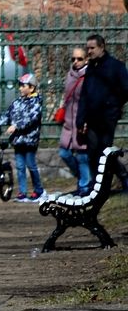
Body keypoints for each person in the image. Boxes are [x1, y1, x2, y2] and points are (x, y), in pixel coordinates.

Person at [0, 72, 44, 202]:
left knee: (31, 165)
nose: (20, 88)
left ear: (31, 88)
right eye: (19, 86)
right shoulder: (17, 102)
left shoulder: (36, 102)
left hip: (30, 140)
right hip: (18, 140)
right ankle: (22, 193)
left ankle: (39, 190)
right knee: (20, 167)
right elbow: (6, 116)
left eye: (23, 86)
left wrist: (16, 126)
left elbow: (30, 119)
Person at [76, 33, 128, 190]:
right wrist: (81, 118)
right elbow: (85, 94)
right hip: (92, 118)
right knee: (93, 153)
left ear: (102, 47)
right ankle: (97, 185)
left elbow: (126, 90)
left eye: (92, 48)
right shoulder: (91, 67)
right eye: (88, 48)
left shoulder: (115, 66)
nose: (89, 51)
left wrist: (113, 105)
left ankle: (121, 177)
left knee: (105, 151)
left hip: (107, 118)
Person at [57, 48, 90, 196]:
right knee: (64, 153)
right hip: (68, 123)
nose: (76, 62)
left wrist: (86, 121)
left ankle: (84, 187)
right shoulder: (69, 75)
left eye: (79, 59)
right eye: (73, 59)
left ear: (86, 59)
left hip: (82, 122)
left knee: (82, 156)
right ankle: (83, 179)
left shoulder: (90, 76)